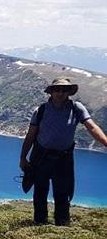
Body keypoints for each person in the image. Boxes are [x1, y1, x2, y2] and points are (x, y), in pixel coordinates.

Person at [19, 77, 107, 226]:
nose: (60, 93)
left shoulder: (76, 108)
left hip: (63, 157)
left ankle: (62, 224)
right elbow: (31, 135)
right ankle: (39, 222)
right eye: (57, 89)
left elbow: (91, 126)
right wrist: (23, 158)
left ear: (69, 92)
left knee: (62, 192)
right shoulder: (41, 110)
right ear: (51, 92)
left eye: (64, 90)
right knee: (40, 191)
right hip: (41, 156)